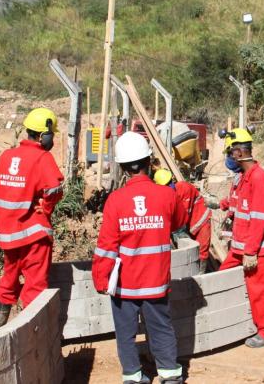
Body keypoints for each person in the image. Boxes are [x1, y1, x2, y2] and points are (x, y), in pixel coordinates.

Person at [92, 132, 188, 384]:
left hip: (125, 285)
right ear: (149, 162)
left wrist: (101, 279)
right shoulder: (167, 196)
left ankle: (133, 376)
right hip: (156, 281)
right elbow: (179, 223)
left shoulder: (115, 200)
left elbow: (106, 246)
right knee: (161, 328)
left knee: (125, 333)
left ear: (123, 167)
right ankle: (169, 374)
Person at [0, 108, 64, 329]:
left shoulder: (6, 156)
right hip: (33, 234)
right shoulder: (42, 157)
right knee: (35, 286)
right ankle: (32, 335)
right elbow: (54, 189)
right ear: (44, 135)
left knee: (8, 280)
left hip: (8, 234)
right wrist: (46, 208)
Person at [218, 128, 264, 348]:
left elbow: (260, 218)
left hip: (255, 250)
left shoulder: (259, 178)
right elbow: (238, 203)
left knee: (260, 290)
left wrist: (251, 251)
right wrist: (221, 204)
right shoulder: (244, 177)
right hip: (240, 246)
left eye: (229, 153)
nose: (228, 158)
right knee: (221, 278)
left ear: (239, 153)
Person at [153, 168, 212, 273]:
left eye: (169, 183)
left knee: (202, 248)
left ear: (172, 180)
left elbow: (183, 216)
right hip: (188, 222)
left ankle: (201, 273)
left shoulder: (184, 188)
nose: (169, 186)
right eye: (165, 185)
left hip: (200, 218)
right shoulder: (164, 196)